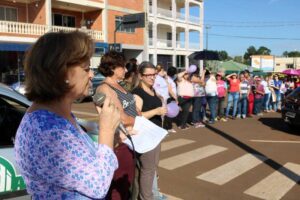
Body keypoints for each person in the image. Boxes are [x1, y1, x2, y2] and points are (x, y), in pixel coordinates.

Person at [14, 31, 119, 199]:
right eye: (86, 68)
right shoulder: (47, 130)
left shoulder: (55, 115)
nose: (91, 74)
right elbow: (98, 185)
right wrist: (106, 132)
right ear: (62, 74)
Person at [97, 51, 138, 200]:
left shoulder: (119, 86)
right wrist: (140, 121)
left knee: (127, 186)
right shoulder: (105, 88)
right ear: (113, 68)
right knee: (117, 189)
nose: (126, 70)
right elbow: (121, 118)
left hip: (131, 141)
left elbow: (132, 110)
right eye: (123, 67)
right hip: (119, 144)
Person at [132, 61, 167, 200]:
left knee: (151, 168)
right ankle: (146, 197)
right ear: (140, 76)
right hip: (145, 137)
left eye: (154, 74)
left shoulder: (152, 90)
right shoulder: (137, 93)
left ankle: (146, 195)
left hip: (155, 135)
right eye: (149, 75)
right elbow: (136, 117)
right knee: (148, 170)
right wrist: (157, 111)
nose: (152, 78)